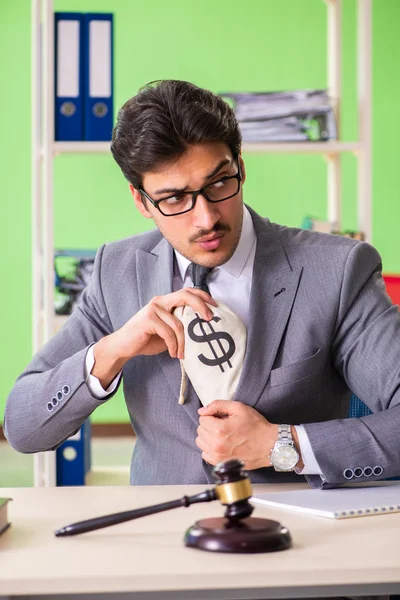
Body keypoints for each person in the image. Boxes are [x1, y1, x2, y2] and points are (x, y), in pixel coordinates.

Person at [4, 80, 400, 489]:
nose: (206, 218)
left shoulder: (335, 269)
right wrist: (114, 349)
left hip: (295, 535)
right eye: (174, 198)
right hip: (160, 533)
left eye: (218, 184)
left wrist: (285, 444)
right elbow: (23, 427)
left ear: (241, 167)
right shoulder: (116, 272)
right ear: (141, 201)